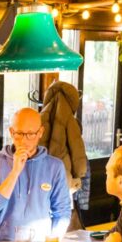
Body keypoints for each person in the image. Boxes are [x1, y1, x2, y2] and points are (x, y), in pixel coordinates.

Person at [0, 107, 72, 242]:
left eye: (31, 134)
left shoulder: (55, 166)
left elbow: (62, 212)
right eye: (19, 133)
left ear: (40, 132)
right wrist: (15, 172)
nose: (24, 140)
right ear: (11, 132)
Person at [40, 81, 88, 231]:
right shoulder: (70, 119)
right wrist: (80, 174)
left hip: (40, 172)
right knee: (62, 208)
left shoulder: (41, 116)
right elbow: (77, 150)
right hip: (63, 171)